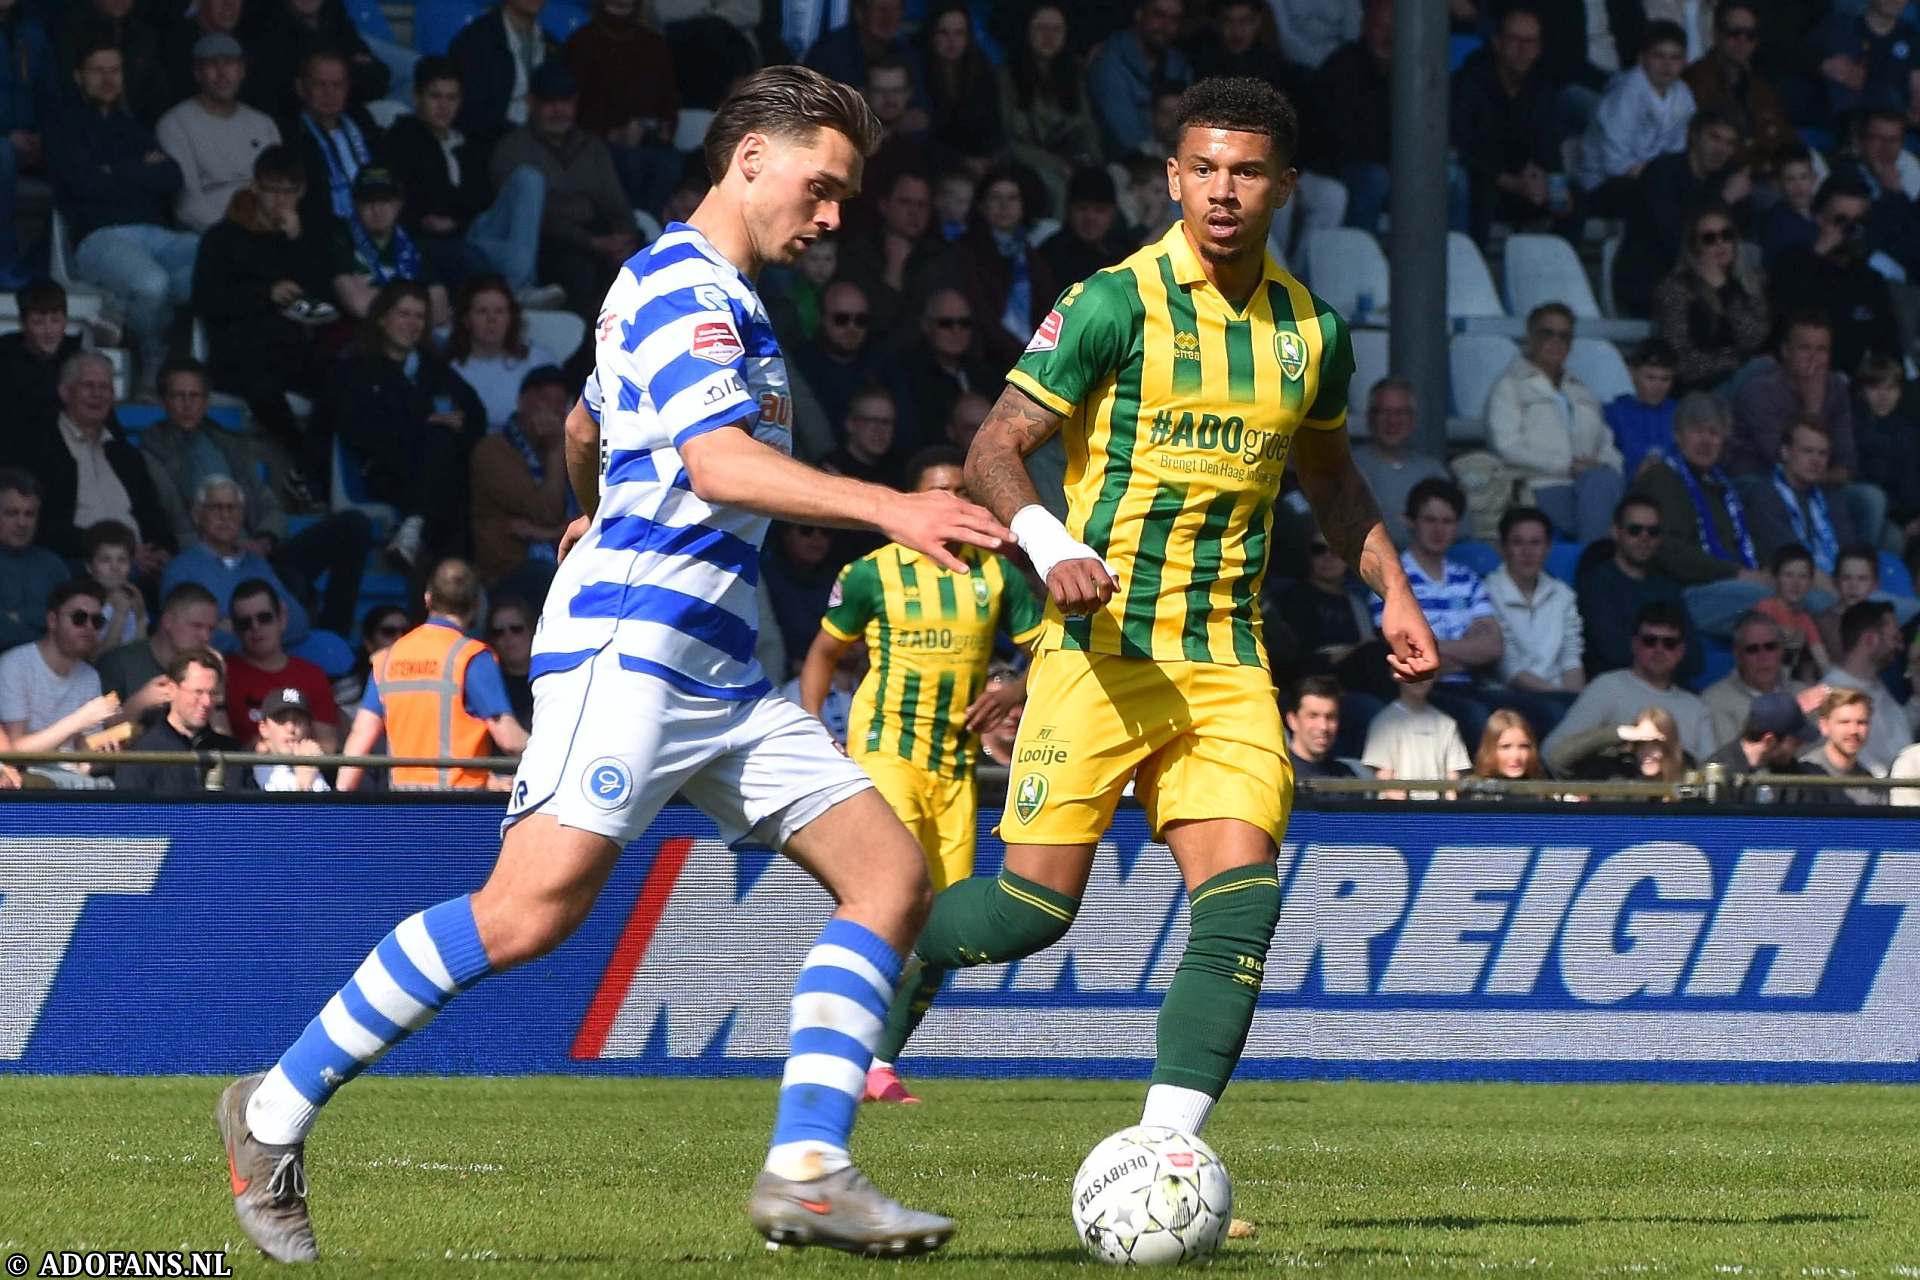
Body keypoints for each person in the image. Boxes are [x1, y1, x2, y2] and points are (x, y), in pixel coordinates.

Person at [220, 66, 1010, 1263]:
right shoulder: (688, 285)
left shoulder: (705, 291)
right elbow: (723, 465)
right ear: (749, 159)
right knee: (528, 913)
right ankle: (268, 1113)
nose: (838, 214)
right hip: (636, 649)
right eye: (826, 184)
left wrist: (590, 508)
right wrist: (890, 505)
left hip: (722, 667)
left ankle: (807, 1168)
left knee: (891, 879)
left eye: (848, 193)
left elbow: (589, 427)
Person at [864, 77, 1439, 1153]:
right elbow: (994, 447)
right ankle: (874, 962)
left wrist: (1393, 587)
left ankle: (1167, 1148)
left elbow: (1331, 474)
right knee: (1028, 914)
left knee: (1241, 905)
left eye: (1246, 172)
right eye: (1204, 169)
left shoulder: (1309, 329)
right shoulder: (1110, 302)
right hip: (1098, 649)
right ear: (1173, 178)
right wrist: (1052, 543)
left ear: (1285, 188)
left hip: (1224, 659)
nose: (1223, 191)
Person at [796, 445, 1044, 1104]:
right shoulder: (874, 572)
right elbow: (824, 653)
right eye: (938, 491)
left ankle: (879, 1060)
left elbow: (1050, 650)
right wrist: (811, 725)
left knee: (943, 930)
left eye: (963, 491)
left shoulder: (997, 576)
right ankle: (844, 1053)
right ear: (914, 500)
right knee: (893, 897)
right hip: (886, 755)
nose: (953, 502)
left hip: (955, 768)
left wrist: (1014, 688)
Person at [141, 359, 371, 636]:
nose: (187, 404)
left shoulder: (227, 443)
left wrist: (264, 539)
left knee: (353, 526)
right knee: (289, 587)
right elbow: (177, 520)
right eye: (179, 396)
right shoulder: (151, 451)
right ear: (164, 401)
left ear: (206, 400)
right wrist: (230, 544)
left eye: (195, 395)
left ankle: (335, 637)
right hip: (209, 561)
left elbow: (268, 506)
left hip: (258, 555)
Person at [47, 40, 194, 384]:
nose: (108, 78)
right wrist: (140, 171)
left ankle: (125, 310)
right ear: (78, 76)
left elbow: (172, 177)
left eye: (115, 70)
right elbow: (86, 184)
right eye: (98, 70)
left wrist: (113, 170)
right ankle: (153, 358)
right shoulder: (63, 126)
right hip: (100, 238)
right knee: (153, 284)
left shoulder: (135, 127)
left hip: (158, 237)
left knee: (217, 257)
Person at [189, 144, 334, 486]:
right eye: (272, 190)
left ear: (302, 192)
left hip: (291, 348)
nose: (280, 201)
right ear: (255, 187)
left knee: (341, 380)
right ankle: (308, 465)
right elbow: (205, 300)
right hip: (238, 349)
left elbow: (322, 296)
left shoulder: (305, 238)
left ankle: (311, 465)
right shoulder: (222, 237)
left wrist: (296, 239)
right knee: (263, 387)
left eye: (289, 192)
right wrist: (265, 294)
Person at [332, 281, 486, 567]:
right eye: (404, 314)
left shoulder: (433, 367)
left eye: (419, 316)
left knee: (450, 461)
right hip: (385, 471)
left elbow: (475, 413)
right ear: (382, 317)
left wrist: (452, 425)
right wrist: (422, 423)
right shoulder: (357, 367)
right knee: (446, 468)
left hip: (437, 472)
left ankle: (416, 528)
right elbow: (357, 428)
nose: (412, 323)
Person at [335, 558, 524, 791]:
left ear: (428, 598)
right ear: (476, 605)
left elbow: (360, 737)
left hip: (404, 808)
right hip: (462, 811)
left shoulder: (388, 658)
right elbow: (509, 739)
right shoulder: (472, 656)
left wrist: (338, 800)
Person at [382, 57, 554, 304]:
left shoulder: (468, 142)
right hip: (435, 239)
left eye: (452, 98)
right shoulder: (402, 139)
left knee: (529, 178)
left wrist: (459, 217)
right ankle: (519, 290)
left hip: (471, 229)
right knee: (515, 257)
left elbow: (480, 198)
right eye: (436, 97)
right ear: (417, 97)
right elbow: (415, 200)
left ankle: (519, 288)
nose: (444, 106)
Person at [488, 59, 636, 320]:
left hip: (597, 234)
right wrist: (591, 242)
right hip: (548, 244)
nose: (558, 110)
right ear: (531, 102)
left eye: (565, 101)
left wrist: (625, 238)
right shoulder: (512, 149)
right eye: (549, 102)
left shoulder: (591, 146)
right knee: (580, 271)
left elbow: (615, 201)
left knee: (643, 259)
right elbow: (534, 219)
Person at [1635, 391, 1778, 634]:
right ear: (1677, 435)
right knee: (1775, 600)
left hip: (1729, 585)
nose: (1706, 441)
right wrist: (1737, 573)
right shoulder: (1661, 478)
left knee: (1800, 593)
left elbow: (1749, 541)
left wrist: (1768, 569)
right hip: (1684, 593)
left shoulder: (1722, 486)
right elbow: (1667, 549)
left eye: (1714, 433)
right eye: (1697, 431)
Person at [1488, 304, 1626, 543]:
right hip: (1539, 485)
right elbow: (1507, 446)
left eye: (1564, 336)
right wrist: (1566, 466)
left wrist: (1604, 464)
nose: (1556, 341)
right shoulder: (1509, 386)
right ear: (1531, 336)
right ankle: (1594, 561)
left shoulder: (1580, 388)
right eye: (1547, 333)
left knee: (1607, 482)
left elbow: (1606, 442)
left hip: (1588, 484)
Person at [1381, 477, 1501, 747]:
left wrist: (1432, 649)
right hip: (1423, 691)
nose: (1439, 530)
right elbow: (1401, 654)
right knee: (1479, 717)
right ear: (1411, 521)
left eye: (1447, 522)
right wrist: (1469, 649)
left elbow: (1493, 647)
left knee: (1527, 714)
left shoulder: (1467, 579)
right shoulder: (1392, 579)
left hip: (1471, 687)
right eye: (1430, 520)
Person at [23, 352, 172, 565]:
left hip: (139, 565)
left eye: (105, 388)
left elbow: (152, 514)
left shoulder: (126, 454)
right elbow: (44, 526)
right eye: (88, 386)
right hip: (78, 564)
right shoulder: (41, 448)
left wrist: (162, 549)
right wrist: (119, 552)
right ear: (65, 392)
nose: (97, 394)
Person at [1612, 109, 1751, 319]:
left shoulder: (1726, 177)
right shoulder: (1662, 172)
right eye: (1714, 137)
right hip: (1649, 279)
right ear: (1693, 135)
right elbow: (1674, 236)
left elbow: (1738, 239)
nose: (1721, 149)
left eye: (1730, 143)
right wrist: (1726, 200)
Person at [1545, 600, 1716, 766]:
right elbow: (1551, 752)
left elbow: (1711, 771)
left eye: (1669, 643)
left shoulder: (1696, 707)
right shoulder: (1607, 688)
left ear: (1681, 651)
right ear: (1634, 644)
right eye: (1650, 641)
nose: (1659, 649)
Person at [1766, 179, 1900, 376]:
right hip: (1792, 377)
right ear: (1819, 217)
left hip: (1848, 385)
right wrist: (1821, 250)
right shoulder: (1791, 262)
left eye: (1859, 222)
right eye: (1841, 220)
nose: (1851, 230)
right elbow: (1780, 315)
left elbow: (1889, 349)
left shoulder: (1871, 281)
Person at [160, 476, 313, 646]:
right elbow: (187, 639)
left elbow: (299, 623)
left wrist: (234, 626)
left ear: (242, 517)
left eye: (233, 508)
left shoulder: (256, 564)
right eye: (216, 508)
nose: (225, 516)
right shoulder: (180, 570)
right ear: (197, 516)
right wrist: (266, 627)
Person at [155, 33, 282, 235]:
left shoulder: (263, 124)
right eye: (212, 64)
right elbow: (187, 205)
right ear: (197, 73)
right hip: (207, 238)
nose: (222, 73)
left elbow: (281, 189)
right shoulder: (175, 124)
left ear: (241, 70)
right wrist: (233, 236)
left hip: (268, 232)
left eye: (230, 63)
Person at [565, 0, 679, 218]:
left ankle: (655, 238)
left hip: (651, 142)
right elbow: (574, 106)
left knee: (668, 165)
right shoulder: (581, 42)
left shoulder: (654, 44)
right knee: (629, 164)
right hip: (598, 141)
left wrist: (664, 129)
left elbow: (670, 101)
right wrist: (613, 133)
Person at [0, 578, 118, 782]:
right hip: (29, 780)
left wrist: (106, 754)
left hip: (74, 780)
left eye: (97, 621)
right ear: (52, 621)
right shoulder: (15, 664)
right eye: (79, 618)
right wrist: (81, 719)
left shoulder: (90, 676)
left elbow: (84, 754)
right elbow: (14, 751)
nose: (89, 627)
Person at [1649, 203, 1771, 393]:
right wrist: (1734, 361)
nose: (1720, 243)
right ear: (1694, 247)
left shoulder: (1750, 282)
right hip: (1698, 389)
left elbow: (1754, 339)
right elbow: (1679, 362)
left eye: (1726, 235)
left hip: (1745, 382)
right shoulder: (1675, 289)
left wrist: (1725, 291)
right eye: (1709, 238)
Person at [469, 363, 569, 592]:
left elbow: (588, 514)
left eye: (561, 403)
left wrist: (546, 533)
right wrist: (556, 450)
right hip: (507, 570)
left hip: (559, 561)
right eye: (545, 400)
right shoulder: (492, 451)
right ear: (522, 401)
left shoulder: (571, 449)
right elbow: (547, 513)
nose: (553, 411)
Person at [1484, 507, 1584, 736]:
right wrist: (1560, 698)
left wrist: (1576, 699)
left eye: (1536, 542)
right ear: (1503, 548)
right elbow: (1507, 667)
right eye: (1518, 542)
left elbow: (1571, 657)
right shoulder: (1488, 592)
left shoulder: (1563, 595)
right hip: (1506, 694)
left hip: (1558, 694)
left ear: (1548, 547)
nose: (1527, 551)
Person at [1577, 21, 1696, 211]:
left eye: (1675, 58)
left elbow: (1677, 152)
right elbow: (1615, 164)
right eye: (1659, 56)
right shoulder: (1626, 92)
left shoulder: (1683, 94)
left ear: (1685, 62)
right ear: (1642, 58)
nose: (1667, 65)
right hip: (1603, 184)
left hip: (1651, 177)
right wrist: (1660, 175)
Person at [998, 5, 1100, 218]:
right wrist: (1054, 164)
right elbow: (1006, 140)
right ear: (1027, 32)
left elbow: (1087, 126)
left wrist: (1094, 166)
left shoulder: (1074, 74)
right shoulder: (1006, 77)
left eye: (1056, 29)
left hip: (1069, 160)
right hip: (1024, 163)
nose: (1049, 36)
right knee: (1055, 187)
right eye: (1041, 28)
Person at [283, 50, 388, 257]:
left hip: (379, 230)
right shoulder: (290, 135)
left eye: (338, 85)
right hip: (325, 244)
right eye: (320, 85)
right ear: (301, 88)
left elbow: (386, 176)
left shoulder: (362, 123)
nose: (330, 93)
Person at [951, 170, 1059, 371]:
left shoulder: (1032, 257)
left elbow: (1049, 310)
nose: (1004, 206)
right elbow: (982, 317)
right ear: (982, 206)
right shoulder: (965, 253)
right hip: (986, 364)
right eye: (995, 198)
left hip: (1032, 363)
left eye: (1012, 198)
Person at [222, 578, 341, 751]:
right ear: (235, 629)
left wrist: (279, 748)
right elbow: (221, 745)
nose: (255, 627)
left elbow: (329, 744)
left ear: (282, 618)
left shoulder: (312, 675)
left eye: (264, 618)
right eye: (245, 622)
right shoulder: (224, 673)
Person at [114, 647, 250, 793]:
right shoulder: (141, 754)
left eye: (213, 693)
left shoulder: (232, 753)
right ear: (172, 690)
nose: (207, 702)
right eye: (198, 692)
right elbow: (130, 813)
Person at [327, 167, 449, 326]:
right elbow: (359, 307)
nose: (377, 210)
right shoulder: (340, 240)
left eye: (384, 200)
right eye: (368, 201)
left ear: (399, 204)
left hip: (414, 334)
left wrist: (377, 294)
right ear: (355, 204)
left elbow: (439, 310)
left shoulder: (412, 242)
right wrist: (414, 297)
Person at [1683, 2, 1795, 175]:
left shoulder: (1761, 88)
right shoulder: (1694, 79)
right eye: (1734, 33)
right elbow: (1707, 145)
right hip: (1718, 178)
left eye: (1750, 35)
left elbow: (1785, 138)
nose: (1742, 40)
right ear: (1715, 34)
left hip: (1766, 175)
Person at [887, 289, 999, 453]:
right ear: (926, 326)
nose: (956, 330)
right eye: (946, 323)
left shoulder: (984, 373)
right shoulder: (906, 374)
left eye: (964, 323)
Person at [240, 0, 389, 122]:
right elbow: (289, 93)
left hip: (346, 111)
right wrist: (349, 67)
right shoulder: (268, 28)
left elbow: (379, 79)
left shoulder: (334, 16)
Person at [446, 0, 561, 157]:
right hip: (491, 151)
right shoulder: (473, 42)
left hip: (545, 146)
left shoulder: (552, 46)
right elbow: (471, 116)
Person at [1746, 419, 1860, 575]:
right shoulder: (1765, 496)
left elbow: (1851, 553)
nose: (1816, 460)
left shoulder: (1831, 497)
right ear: (1785, 452)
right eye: (1807, 451)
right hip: (1794, 585)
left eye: (1822, 453)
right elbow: (1789, 560)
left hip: (1845, 584)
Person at [94, 580, 218, 725]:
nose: (206, 637)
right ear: (167, 621)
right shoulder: (118, 664)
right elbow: (100, 733)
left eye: (211, 629)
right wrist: (139, 702)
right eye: (197, 626)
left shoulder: (210, 670)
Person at [446, 277, 561, 432]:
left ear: (510, 318)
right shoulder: (450, 371)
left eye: (499, 311)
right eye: (482, 311)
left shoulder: (538, 360)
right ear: (466, 320)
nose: (491, 320)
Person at [1350, 376, 1453, 548]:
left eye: (1400, 413)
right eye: (1384, 412)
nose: (1392, 421)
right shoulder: (1350, 467)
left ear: (1413, 420)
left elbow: (1462, 524)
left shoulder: (1431, 470)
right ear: (1370, 418)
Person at [1820, 599, 1914, 771]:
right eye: (1894, 638)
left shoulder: (1879, 688)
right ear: (1871, 640)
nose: (1900, 647)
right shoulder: (1829, 695)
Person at [1701, 609, 1814, 748]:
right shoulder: (1715, 700)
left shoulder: (1804, 694)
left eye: (1770, 647)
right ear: (1737, 654)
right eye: (1752, 649)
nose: (1763, 657)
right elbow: (1729, 761)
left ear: (1782, 650)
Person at [917, 2, 1003, 167]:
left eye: (959, 33)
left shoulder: (982, 70)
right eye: (943, 33)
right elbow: (925, 137)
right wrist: (963, 162)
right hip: (935, 165)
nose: (952, 41)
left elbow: (993, 127)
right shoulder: (917, 70)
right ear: (931, 34)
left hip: (980, 162)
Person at [791, 279, 879, 437]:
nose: (852, 327)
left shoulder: (881, 366)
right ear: (821, 318)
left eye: (861, 320)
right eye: (841, 319)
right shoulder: (801, 365)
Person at [1813, 0, 1920, 124]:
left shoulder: (1912, 38)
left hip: (1894, 124)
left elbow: (1916, 86)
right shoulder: (1839, 28)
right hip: (1846, 122)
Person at [1362, 676, 1469, 798]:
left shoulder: (1448, 724)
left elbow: (1452, 779)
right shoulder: (1383, 722)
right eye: (1411, 671)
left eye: (1425, 672)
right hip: (1400, 811)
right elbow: (1385, 779)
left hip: (1438, 811)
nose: (1419, 677)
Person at [1855, 351, 1920, 550]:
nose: (1884, 396)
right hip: (1881, 514)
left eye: (1891, 388)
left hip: (1909, 513)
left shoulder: (1908, 430)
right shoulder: (1853, 428)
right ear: (1862, 390)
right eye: (1875, 387)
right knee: (1893, 539)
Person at [0, 279, 84, 433]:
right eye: (38, 322)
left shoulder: (78, 358)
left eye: (56, 320)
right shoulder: (6, 358)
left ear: (65, 320)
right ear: (23, 324)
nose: (49, 331)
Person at [0, 471, 70, 652]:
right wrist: (42, 621)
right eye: (12, 513)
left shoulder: (53, 566)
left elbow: (69, 630)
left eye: (29, 514)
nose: (22, 522)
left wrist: (19, 617)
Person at [1040, 166, 1135, 289]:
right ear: (1068, 210)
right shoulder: (1050, 256)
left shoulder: (1128, 253)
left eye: (1100, 210)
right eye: (1082, 208)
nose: (1090, 218)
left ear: (1114, 213)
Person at [1703, 690, 1817, 793]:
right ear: (1769, 741)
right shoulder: (1718, 778)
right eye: (1796, 741)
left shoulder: (1795, 772)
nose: (1801, 744)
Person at [1798, 686, 1887, 804]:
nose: (1854, 730)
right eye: (1844, 722)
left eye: (1861, 722)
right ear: (1824, 726)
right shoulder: (1804, 775)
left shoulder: (1871, 786)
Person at [1604, 338, 1678, 478]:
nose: (1657, 386)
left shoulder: (1680, 414)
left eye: (1665, 379)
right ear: (1633, 373)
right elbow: (1607, 462)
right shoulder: (1613, 414)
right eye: (1650, 378)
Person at [1755, 543, 1831, 680]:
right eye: (1788, 575)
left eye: (1803, 577)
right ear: (1776, 578)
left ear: (1810, 582)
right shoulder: (1765, 608)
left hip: (1785, 684)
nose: (1795, 583)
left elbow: (1823, 663)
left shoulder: (1805, 619)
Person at [251, 685, 331, 792]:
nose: (290, 728)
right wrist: (304, 780)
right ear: (264, 729)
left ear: (308, 728)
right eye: (281, 720)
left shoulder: (322, 766)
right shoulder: (252, 770)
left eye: (298, 720)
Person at [820, 385, 902, 488]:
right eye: (870, 421)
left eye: (886, 422)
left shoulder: (897, 472)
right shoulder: (827, 471)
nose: (879, 430)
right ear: (850, 424)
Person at [84, 520, 144, 651]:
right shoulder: (84, 605)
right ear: (89, 566)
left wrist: (140, 617)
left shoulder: (133, 596)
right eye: (105, 560)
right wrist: (120, 614)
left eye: (122, 560)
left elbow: (141, 652)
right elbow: (99, 662)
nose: (115, 567)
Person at [1284, 674, 1356, 780]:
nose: (1323, 727)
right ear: (1292, 720)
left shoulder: (1347, 776)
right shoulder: (1278, 773)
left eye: (1330, 717)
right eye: (1313, 716)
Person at [1758, 143, 1819, 263]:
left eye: (1804, 177)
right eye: (1790, 179)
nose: (1798, 186)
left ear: (1814, 178)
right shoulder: (1774, 222)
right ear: (1777, 184)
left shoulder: (1826, 209)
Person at [484, 594, 534, 730]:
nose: (508, 637)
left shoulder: (550, 680)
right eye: (498, 632)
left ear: (531, 632)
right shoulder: (489, 686)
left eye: (516, 629)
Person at [1472, 708, 1546, 782]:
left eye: (1523, 746)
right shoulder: (1474, 789)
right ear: (1489, 750)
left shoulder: (1543, 790)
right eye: (1506, 747)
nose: (1516, 755)